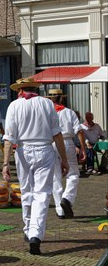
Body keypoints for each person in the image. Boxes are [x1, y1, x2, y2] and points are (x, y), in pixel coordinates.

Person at [2, 78, 69, 256]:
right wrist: (64, 159)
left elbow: (9, 137)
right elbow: (57, 134)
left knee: (27, 191)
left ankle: (28, 228)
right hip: (45, 149)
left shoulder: (14, 106)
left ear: (21, 90)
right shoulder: (47, 104)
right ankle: (35, 234)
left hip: (23, 150)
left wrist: (5, 163)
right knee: (42, 193)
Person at [47, 88, 86, 219]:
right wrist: (83, 148)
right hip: (67, 142)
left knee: (55, 177)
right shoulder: (69, 113)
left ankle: (60, 210)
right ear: (62, 98)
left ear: (49, 98)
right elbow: (79, 131)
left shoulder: (46, 113)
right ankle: (67, 198)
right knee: (73, 174)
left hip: (50, 144)